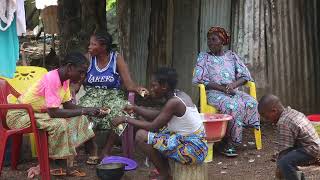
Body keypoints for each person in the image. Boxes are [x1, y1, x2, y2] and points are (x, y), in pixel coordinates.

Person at [6, 52, 106, 177]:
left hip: (37, 114)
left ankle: (63, 162)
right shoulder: (52, 78)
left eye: (84, 73)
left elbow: (68, 105)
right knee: (59, 124)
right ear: (70, 67)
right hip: (19, 115)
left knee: (81, 119)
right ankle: (51, 163)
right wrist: (85, 110)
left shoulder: (64, 81)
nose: (82, 76)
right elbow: (54, 112)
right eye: (80, 72)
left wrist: (91, 110)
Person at [112, 67, 208, 180]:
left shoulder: (174, 102)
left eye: (154, 86)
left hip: (193, 150)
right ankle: (166, 171)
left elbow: (153, 125)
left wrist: (125, 119)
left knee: (142, 136)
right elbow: (159, 115)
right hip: (193, 143)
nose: (151, 89)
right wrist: (135, 108)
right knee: (155, 132)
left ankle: (164, 174)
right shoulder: (177, 95)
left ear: (164, 86)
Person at [78, 31, 148, 164]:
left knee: (124, 112)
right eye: (90, 44)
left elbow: (129, 84)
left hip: (113, 95)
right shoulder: (88, 59)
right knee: (83, 113)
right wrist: (69, 90)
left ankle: (107, 150)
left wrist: (138, 88)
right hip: (92, 95)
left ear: (103, 47)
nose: (89, 47)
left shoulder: (116, 58)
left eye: (93, 44)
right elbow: (77, 82)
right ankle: (92, 148)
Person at [192, 26, 260, 156]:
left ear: (222, 41)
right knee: (232, 106)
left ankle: (232, 137)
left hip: (233, 91)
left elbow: (245, 76)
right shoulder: (204, 57)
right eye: (208, 40)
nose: (210, 42)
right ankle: (229, 142)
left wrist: (233, 85)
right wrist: (222, 88)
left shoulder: (232, 56)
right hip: (214, 94)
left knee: (251, 102)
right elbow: (201, 80)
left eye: (213, 39)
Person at [258, 94, 320, 180]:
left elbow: (284, 150)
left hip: (311, 150)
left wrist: (279, 167)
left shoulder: (284, 122)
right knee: (286, 161)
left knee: (284, 162)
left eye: (267, 117)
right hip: (311, 146)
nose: (267, 120)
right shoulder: (291, 112)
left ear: (274, 111)